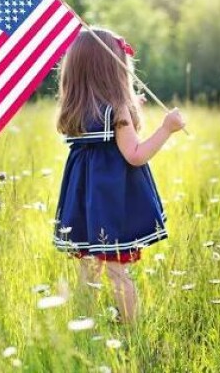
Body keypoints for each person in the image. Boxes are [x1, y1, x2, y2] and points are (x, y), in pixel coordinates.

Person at [52, 28, 186, 324]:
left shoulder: (75, 107)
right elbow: (135, 154)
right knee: (116, 270)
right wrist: (167, 129)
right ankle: (130, 330)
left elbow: (103, 137)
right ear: (112, 68)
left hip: (84, 200)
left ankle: (84, 328)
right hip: (111, 201)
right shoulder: (118, 108)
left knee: (88, 269)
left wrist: (132, 109)